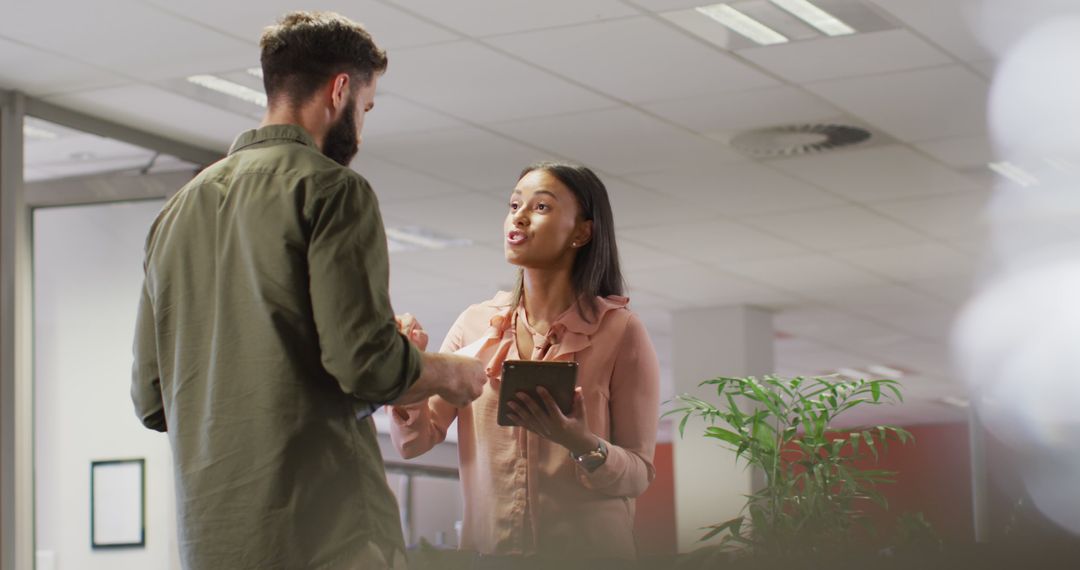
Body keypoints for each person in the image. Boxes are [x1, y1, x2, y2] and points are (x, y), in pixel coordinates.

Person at [130, 12, 486, 570]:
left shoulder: (176, 213)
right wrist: (449, 373)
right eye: (365, 108)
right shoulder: (331, 190)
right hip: (327, 533)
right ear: (340, 89)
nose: (361, 131)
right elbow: (365, 365)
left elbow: (153, 401)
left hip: (212, 542)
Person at [388, 162, 661, 568]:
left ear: (582, 232)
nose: (518, 215)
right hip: (489, 556)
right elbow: (412, 443)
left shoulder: (620, 332)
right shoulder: (476, 325)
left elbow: (638, 474)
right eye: (514, 204)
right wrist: (408, 369)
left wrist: (581, 443)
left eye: (541, 207)